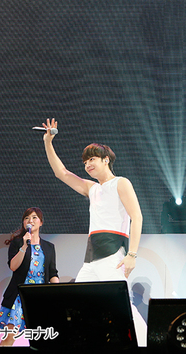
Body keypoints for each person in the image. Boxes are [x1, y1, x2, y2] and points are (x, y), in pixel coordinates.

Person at [41, 118, 147, 345]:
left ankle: (146, 344)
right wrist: (48, 142)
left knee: (122, 306)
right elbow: (61, 173)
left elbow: (137, 217)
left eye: (92, 159)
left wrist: (132, 254)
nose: (87, 164)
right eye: (85, 161)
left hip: (112, 255)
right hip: (90, 259)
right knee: (79, 304)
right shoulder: (92, 188)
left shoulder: (121, 183)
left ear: (105, 160)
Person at [0, 207, 59, 346]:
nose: (30, 220)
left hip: (40, 295)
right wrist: (24, 246)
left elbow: (52, 272)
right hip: (19, 295)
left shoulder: (49, 247)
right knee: (9, 336)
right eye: (27, 218)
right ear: (24, 223)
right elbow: (13, 266)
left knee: (39, 338)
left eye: (34, 217)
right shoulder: (17, 243)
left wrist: (58, 291)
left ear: (41, 222)